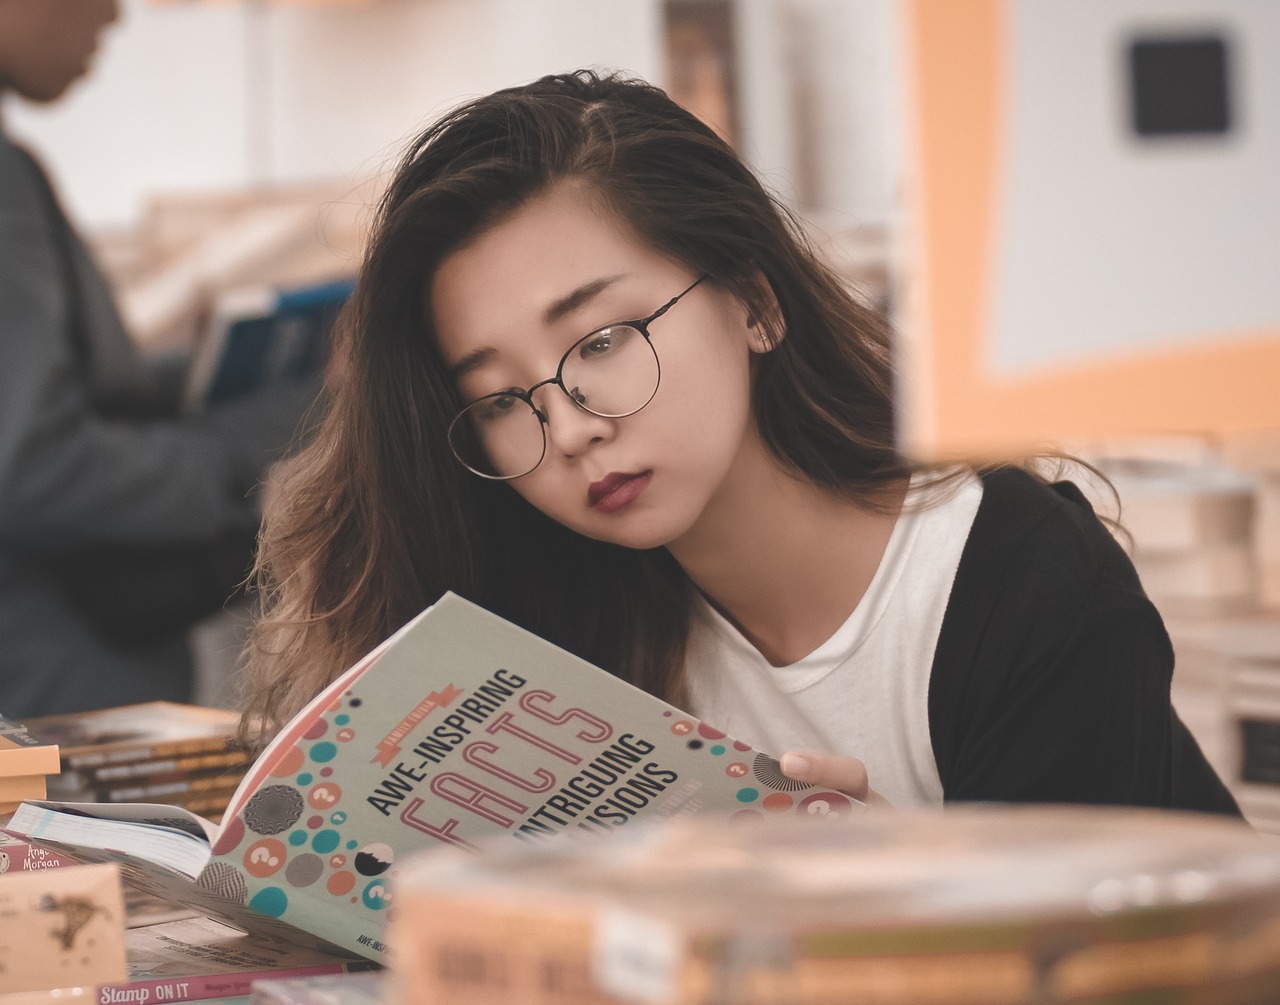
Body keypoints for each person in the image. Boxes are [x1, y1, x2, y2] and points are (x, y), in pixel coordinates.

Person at [242, 69, 1239, 816]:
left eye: (602, 341)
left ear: (753, 303)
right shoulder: (555, 618)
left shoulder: (1013, 583)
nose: (575, 427)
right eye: (502, 401)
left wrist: (905, 887)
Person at [0, 0, 321, 717]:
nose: (115, 15)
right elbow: (31, 465)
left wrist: (183, 370)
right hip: (52, 709)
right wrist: (281, 426)